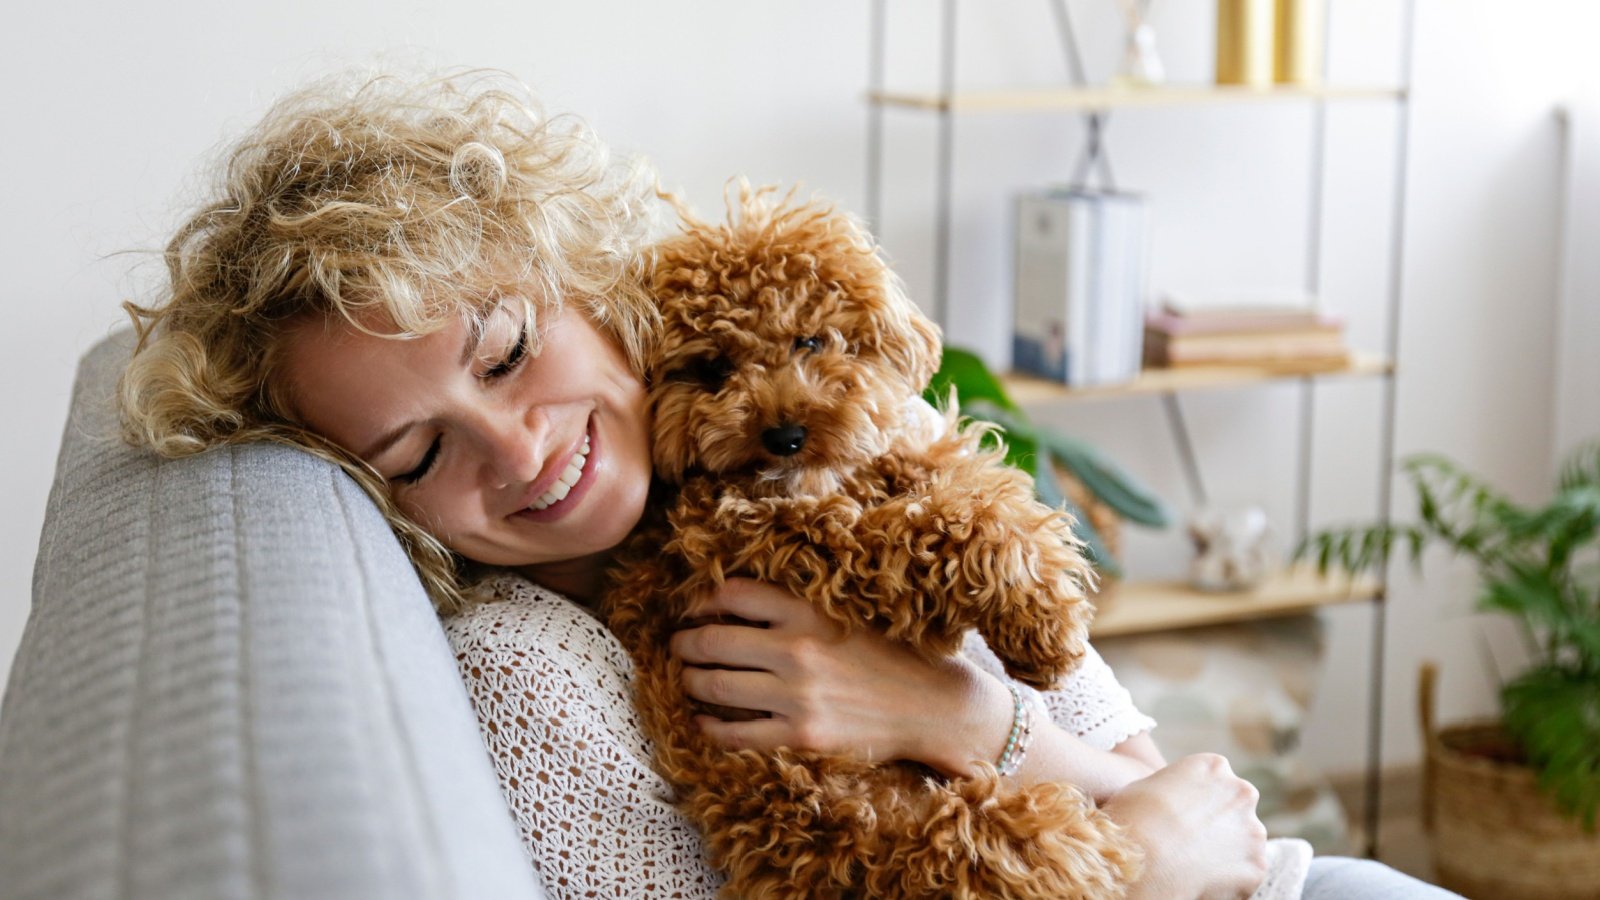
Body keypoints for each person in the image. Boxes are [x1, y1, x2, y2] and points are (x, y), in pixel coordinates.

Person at [118, 71, 1460, 900]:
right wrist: (1132, 872)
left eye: (511, 352)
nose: (518, 452)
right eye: (418, 455)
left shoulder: (840, 439)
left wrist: (955, 711)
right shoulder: (538, 677)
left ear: (589, 288)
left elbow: (1185, 795)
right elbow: (1159, 835)